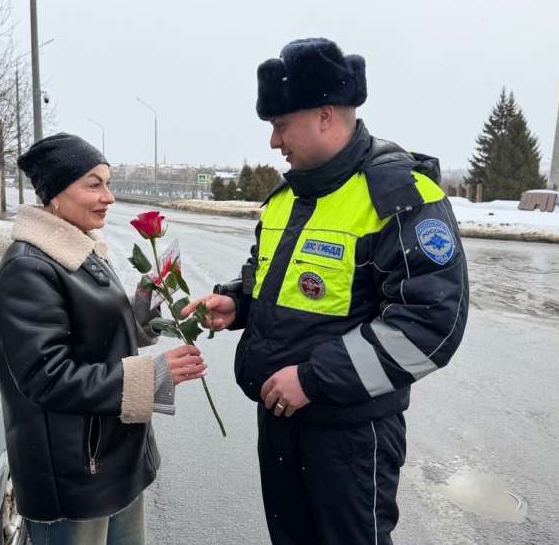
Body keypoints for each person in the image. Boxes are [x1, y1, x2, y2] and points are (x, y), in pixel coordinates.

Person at [183, 38, 469, 544]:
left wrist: (314, 380)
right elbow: (272, 279)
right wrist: (238, 301)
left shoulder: (399, 195)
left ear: (324, 115)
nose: (273, 142)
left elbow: (430, 325)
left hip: (349, 435)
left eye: (279, 125)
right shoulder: (289, 197)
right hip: (281, 421)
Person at [0, 133, 206, 545]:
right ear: (54, 193)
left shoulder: (78, 249)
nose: (109, 196)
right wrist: (153, 375)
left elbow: (95, 335)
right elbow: (47, 377)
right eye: (93, 184)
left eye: (107, 182)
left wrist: (142, 305)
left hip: (114, 462)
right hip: (74, 478)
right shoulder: (28, 270)